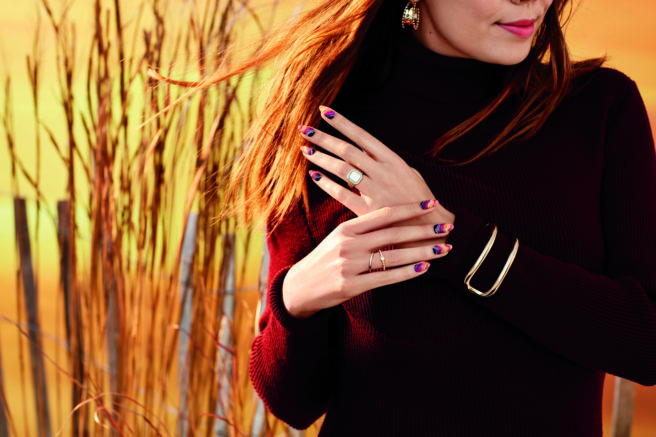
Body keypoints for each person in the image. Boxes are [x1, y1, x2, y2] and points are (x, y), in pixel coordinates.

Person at [222, 0, 656, 434]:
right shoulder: (328, 129)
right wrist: (296, 298)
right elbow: (294, 403)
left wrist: (455, 242)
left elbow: (647, 343)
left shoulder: (599, 108)